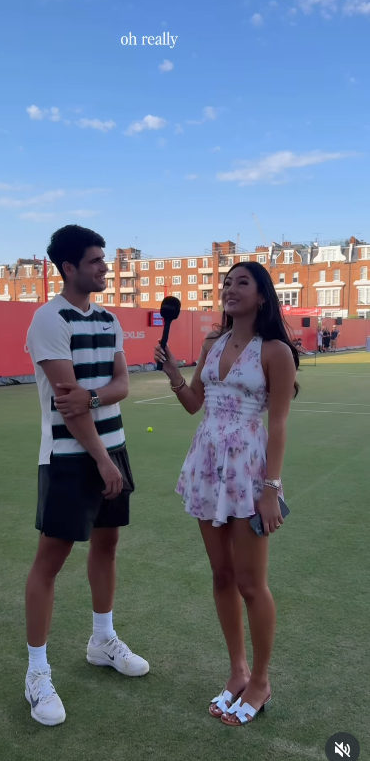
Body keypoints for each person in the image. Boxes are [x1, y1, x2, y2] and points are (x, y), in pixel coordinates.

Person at [154, 262, 298, 727]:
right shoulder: (212, 343)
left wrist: (271, 489)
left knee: (251, 584)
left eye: (242, 283)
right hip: (207, 464)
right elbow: (195, 403)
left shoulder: (276, 351)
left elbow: (279, 424)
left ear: (262, 296)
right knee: (222, 576)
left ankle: (261, 681)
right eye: (226, 283)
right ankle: (237, 671)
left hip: (248, 471)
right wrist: (174, 374)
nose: (230, 289)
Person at [25, 225, 149, 727]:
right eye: (95, 260)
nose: (104, 268)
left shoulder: (109, 319)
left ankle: (102, 640)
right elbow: (67, 405)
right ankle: (36, 673)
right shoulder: (48, 320)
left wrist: (95, 398)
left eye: (104, 259)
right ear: (69, 267)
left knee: (107, 544)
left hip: (112, 449)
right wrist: (101, 459)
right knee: (50, 562)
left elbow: (119, 386)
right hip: (70, 457)